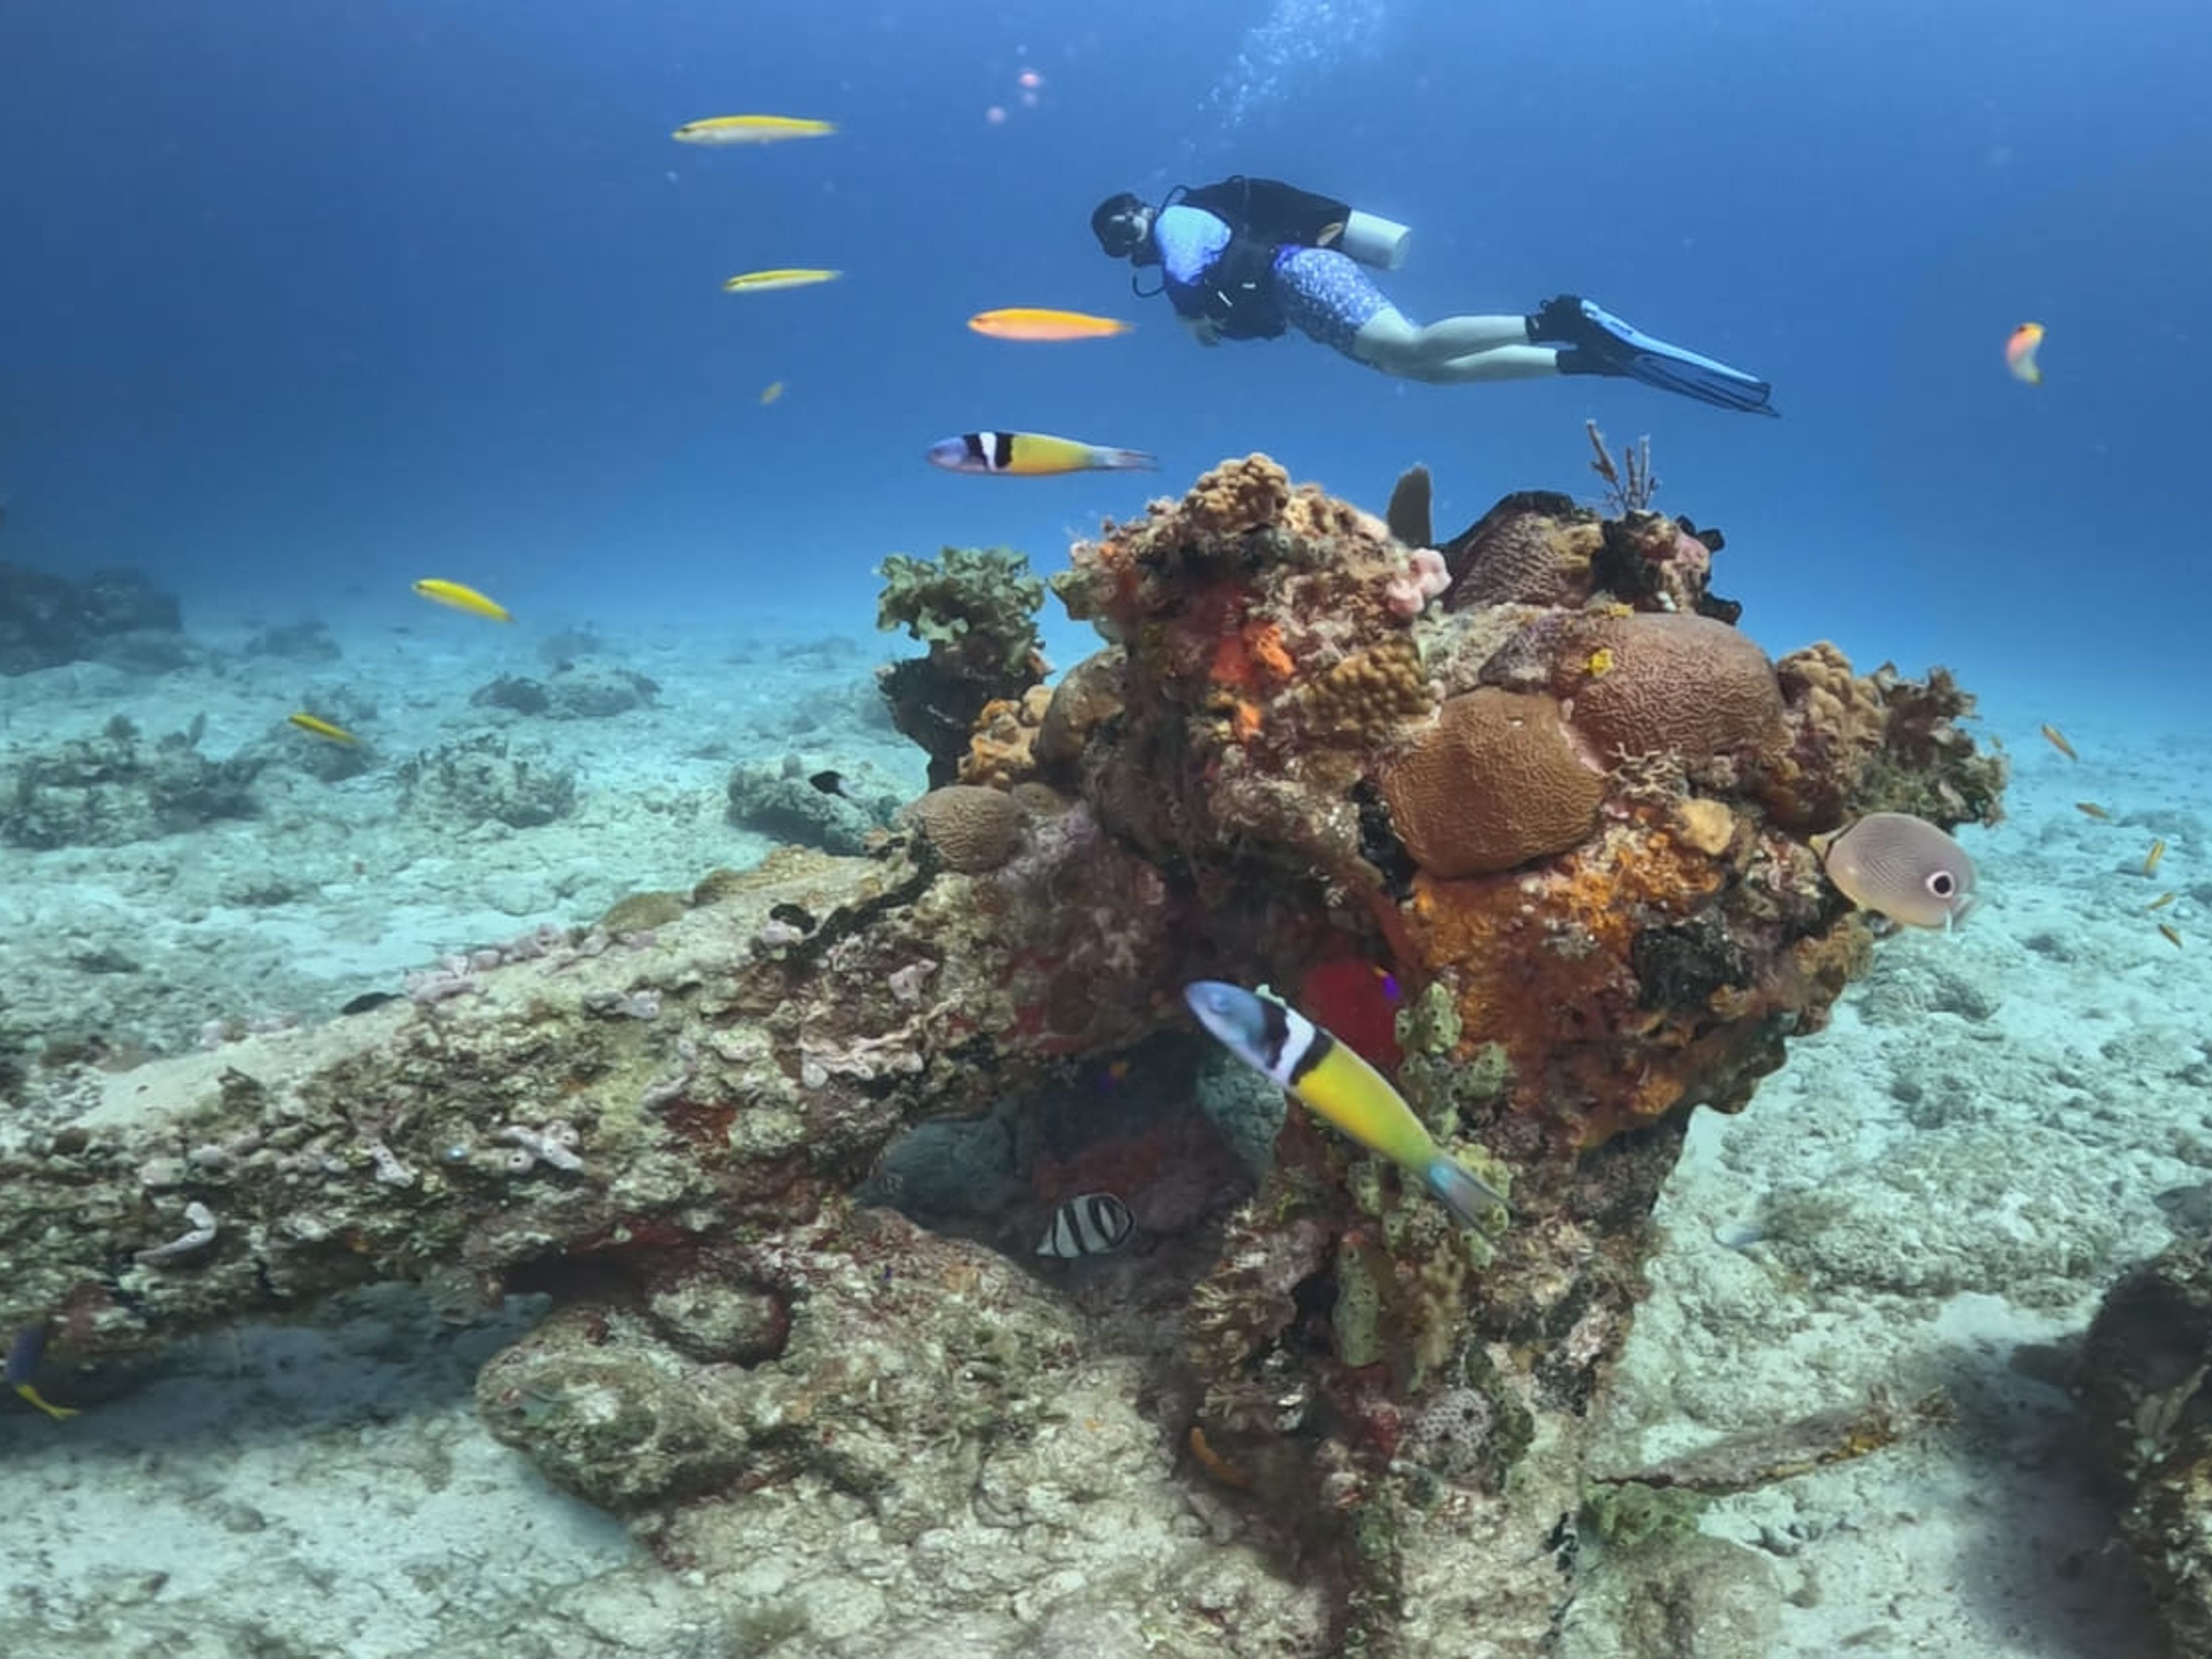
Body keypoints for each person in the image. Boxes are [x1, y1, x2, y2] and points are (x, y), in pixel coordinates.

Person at [1090, 177, 1775, 415]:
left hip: (1299, 275)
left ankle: (1559, 320)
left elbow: (1187, 274)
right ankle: (1584, 359)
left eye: (1123, 231)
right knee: (1422, 371)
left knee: (1411, 347)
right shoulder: (1175, 237)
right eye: (1117, 246)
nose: (1129, 245)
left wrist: (1189, 318)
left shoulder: (1179, 220)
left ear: (1137, 212)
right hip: (1299, 299)